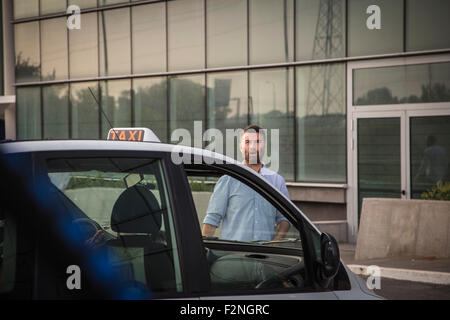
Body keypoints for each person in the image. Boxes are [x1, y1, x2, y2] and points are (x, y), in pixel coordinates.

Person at [202, 125, 290, 242]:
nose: (253, 147)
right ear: (241, 147)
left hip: (266, 255)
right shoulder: (228, 180)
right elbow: (212, 219)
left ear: (264, 145)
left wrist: (277, 240)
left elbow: (284, 218)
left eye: (258, 142)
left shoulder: (277, 181)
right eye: (248, 142)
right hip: (235, 254)